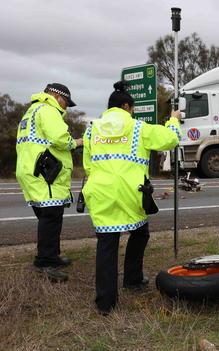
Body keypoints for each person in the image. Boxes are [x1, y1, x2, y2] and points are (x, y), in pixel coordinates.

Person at [82, 81, 181, 315]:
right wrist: (173, 119)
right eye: (132, 108)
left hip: (100, 192)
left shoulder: (91, 128)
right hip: (130, 193)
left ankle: (105, 304)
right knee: (140, 232)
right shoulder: (138, 127)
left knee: (107, 244)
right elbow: (170, 139)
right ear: (127, 106)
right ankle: (133, 279)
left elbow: (88, 164)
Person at [15, 83, 83, 282]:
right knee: (51, 217)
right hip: (45, 173)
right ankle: (45, 262)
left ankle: (51, 255)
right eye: (66, 102)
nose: (66, 107)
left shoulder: (31, 111)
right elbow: (61, 139)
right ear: (57, 96)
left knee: (47, 215)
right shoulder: (48, 109)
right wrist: (76, 142)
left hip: (30, 170)